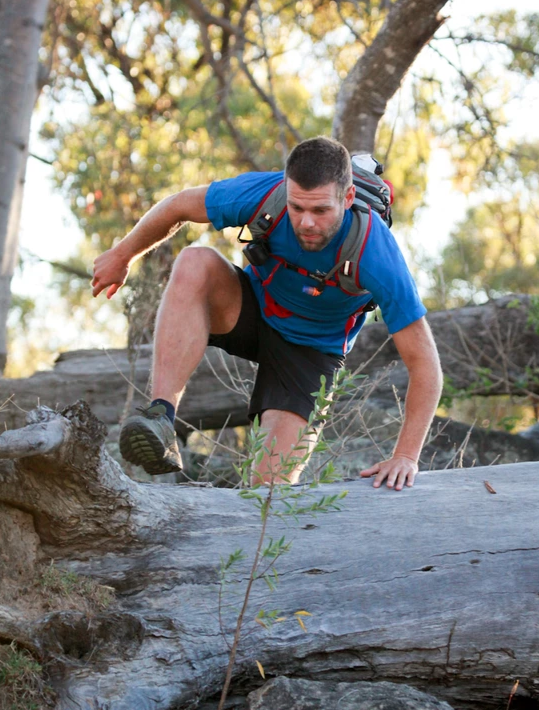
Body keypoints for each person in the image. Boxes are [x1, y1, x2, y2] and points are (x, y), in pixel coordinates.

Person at [92, 136, 443, 490]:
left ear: (347, 198)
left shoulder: (375, 252)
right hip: (254, 310)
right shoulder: (266, 194)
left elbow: (425, 364)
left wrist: (406, 456)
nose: (306, 222)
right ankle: (161, 417)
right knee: (195, 262)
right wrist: (123, 255)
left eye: (320, 211)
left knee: (269, 493)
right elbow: (179, 205)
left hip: (311, 353)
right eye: (297, 208)